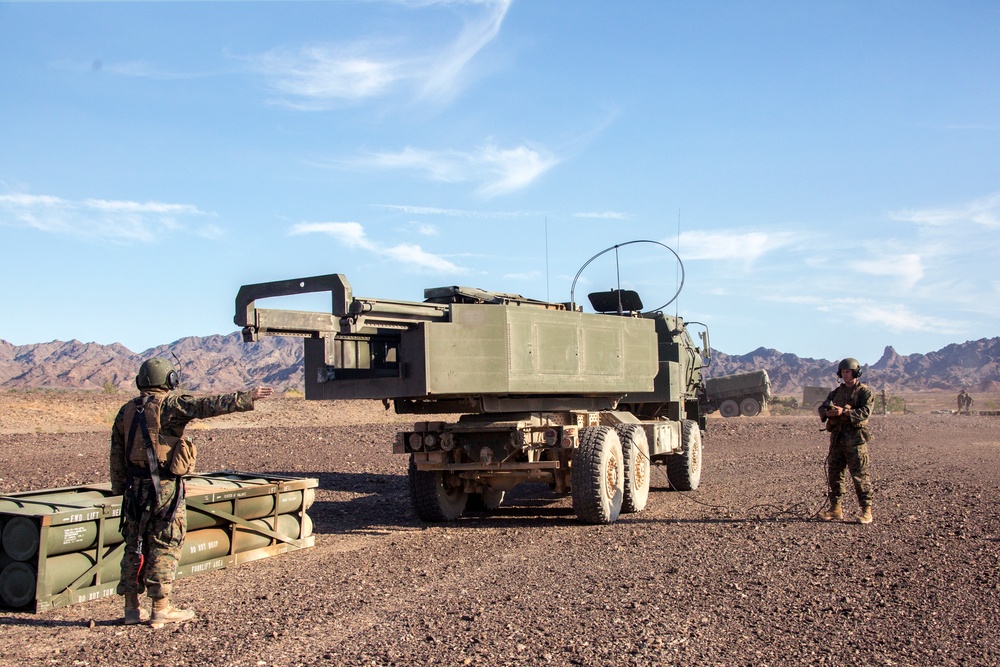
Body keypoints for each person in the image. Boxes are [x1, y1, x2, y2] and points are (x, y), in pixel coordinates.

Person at [110, 357, 273, 626]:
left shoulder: (126, 411)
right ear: (169, 380)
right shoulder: (171, 406)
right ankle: (161, 608)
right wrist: (246, 398)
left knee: (134, 543)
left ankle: (130, 608)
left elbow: (116, 455)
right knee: (165, 542)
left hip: (133, 489)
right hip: (163, 487)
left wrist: (121, 490)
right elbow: (206, 406)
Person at [818, 358, 874, 525]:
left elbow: (865, 412)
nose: (845, 374)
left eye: (848, 372)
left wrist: (845, 413)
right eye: (843, 372)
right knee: (835, 474)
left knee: (860, 476)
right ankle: (836, 508)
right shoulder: (836, 393)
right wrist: (828, 413)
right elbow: (822, 407)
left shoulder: (864, 392)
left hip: (855, 441)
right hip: (837, 439)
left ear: (855, 373)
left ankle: (866, 510)